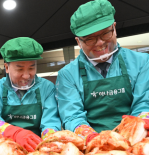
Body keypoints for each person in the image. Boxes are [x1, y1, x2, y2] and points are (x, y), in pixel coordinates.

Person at [55, 0, 149, 143]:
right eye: (90, 39)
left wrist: (135, 131)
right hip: (92, 145)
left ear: (114, 28)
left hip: (135, 137)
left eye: (105, 33)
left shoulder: (142, 62)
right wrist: (93, 139)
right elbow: (72, 116)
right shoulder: (67, 75)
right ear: (78, 42)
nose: (100, 43)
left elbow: (143, 104)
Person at [0, 37, 61, 152]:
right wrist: (15, 134)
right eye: (19, 69)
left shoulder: (47, 87)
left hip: (36, 148)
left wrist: (46, 146)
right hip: (5, 150)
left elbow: (50, 123)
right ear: (6, 67)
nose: (26, 76)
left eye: (31, 68)